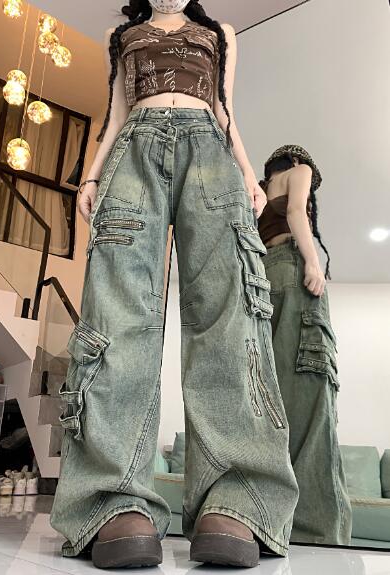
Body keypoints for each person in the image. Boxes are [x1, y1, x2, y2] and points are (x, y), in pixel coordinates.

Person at [50, 1, 299, 569]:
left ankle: (237, 496)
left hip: (210, 149)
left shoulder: (219, 33)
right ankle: (111, 498)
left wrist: (248, 173)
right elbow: (115, 112)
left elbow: (226, 110)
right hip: (132, 149)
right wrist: (91, 175)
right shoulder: (122, 34)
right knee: (117, 315)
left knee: (228, 313)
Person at [258, 144, 352, 545]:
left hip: (263, 279)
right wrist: (313, 261)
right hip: (293, 273)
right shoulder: (299, 172)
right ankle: (318, 535)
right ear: (298, 162)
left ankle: (270, 524)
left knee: (271, 404)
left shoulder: (259, 190)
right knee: (313, 405)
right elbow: (297, 211)